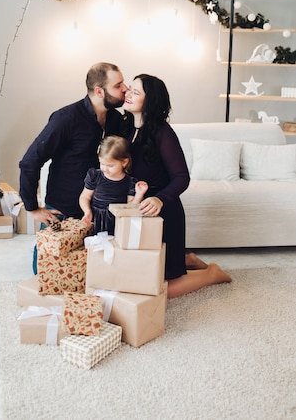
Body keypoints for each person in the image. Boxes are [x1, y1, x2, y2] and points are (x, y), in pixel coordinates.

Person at [123, 73, 232, 299]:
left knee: (159, 291)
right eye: (128, 89)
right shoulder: (124, 128)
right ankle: (187, 260)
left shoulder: (163, 133)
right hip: (135, 212)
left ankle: (212, 273)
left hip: (162, 212)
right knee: (137, 276)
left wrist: (159, 199)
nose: (127, 94)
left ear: (150, 100)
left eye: (136, 92)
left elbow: (182, 177)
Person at [19, 62, 128, 273]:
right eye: (118, 85)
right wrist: (32, 207)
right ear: (99, 91)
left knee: (101, 274)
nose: (124, 88)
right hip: (64, 209)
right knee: (45, 274)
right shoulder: (65, 119)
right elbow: (29, 162)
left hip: (102, 211)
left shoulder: (116, 119)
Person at [79, 135, 148, 234]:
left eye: (110, 165)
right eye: (102, 163)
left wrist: (139, 194)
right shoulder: (95, 176)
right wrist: (87, 211)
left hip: (117, 223)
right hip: (95, 221)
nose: (104, 168)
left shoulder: (130, 182)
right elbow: (85, 197)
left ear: (124, 162)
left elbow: (131, 207)